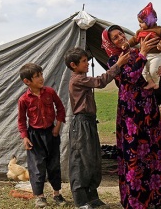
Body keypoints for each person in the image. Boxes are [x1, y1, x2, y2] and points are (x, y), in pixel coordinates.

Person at [102, 25, 161, 209]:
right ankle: (136, 200)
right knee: (134, 153)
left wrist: (156, 72)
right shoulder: (113, 61)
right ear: (110, 43)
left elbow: (150, 68)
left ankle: (157, 198)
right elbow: (131, 77)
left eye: (120, 34)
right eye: (115, 38)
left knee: (153, 150)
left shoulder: (135, 51)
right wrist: (142, 53)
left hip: (148, 107)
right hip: (131, 114)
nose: (120, 38)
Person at [64, 47, 130, 209]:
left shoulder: (82, 78)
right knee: (81, 160)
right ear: (73, 65)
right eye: (84, 61)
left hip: (89, 122)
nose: (88, 64)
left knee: (93, 159)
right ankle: (80, 200)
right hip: (81, 124)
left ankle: (92, 197)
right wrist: (118, 65)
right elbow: (100, 82)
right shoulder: (77, 79)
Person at [17, 63, 67, 208]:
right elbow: (21, 120)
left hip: (51, 133)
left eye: (41, 75)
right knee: (37, 167)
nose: (41, 78)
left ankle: (57, 194)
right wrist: (25, 137)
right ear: (27, 81)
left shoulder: (50, 92)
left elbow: (61, 109)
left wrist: (57, 126)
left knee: (54, 165)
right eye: (37, 76)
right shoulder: (24, 100)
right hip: (35, 137)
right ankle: (40, 197)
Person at [124, 2, 161, 90]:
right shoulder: (139, 32)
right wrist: (127, 44)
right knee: (143, 71)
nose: (139, 25)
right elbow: (134, 39)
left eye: (141, 22)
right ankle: (151, 82)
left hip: (156, 55)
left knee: (153, 71)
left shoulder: (159, 30)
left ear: (149, 20)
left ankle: (156, 83)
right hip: (144, 56)